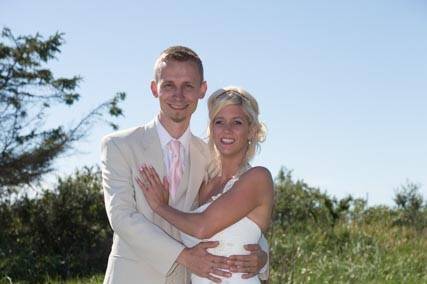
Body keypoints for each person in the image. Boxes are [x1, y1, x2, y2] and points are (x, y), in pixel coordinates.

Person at [101, 46, 269, 284]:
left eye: (188, 86)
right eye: (168, 85)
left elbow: (237, 214)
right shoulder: (120, 145)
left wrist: (263, 255)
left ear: (202, 90)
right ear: (154, 88)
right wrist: (185, 256)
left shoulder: (210, 156)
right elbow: (122, 217)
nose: (178, 95)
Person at [137, 86, 274, 283]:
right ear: (212, 128)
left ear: (251, 131)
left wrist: (160, 206)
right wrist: (263, 252)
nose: (227, 130)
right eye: (219, 122)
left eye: (237, 122)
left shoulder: (258, 178)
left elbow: (203, 228)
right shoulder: (204, 185)